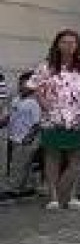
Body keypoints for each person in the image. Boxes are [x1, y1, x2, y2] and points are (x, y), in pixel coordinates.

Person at [32, 29, 80, 211]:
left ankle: (71, 195)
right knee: (52, 156)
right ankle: (53, 197)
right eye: (64, 42)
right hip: (52, 118)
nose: (68, 46)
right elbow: (37, 90)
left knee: (76, 157)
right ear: (57, 45)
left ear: (78, 45)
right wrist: (48, 109)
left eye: (72, 42)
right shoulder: (46, 67)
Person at [0, 72, 41, 202]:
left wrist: (29, 137)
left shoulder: (34, 102)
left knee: (20, 164)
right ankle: (24, 187)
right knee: (16, 163)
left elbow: (37, 123)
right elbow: (10, 116)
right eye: (21, 84)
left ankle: (14, 189)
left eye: (25, 84)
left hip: (25, 139)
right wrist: (3, 123)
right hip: (14, 137)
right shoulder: (16, 99)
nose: (22, 87)